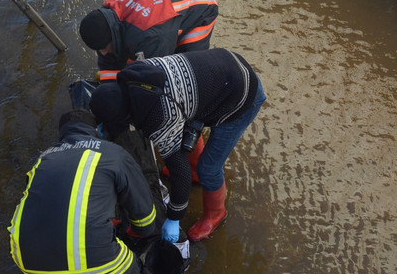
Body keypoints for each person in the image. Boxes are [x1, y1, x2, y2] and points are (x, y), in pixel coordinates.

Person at [88, 48, 267, 243]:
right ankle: (196, 172)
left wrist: (174, 218)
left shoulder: (161, 116)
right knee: (183, 132)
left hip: (242, 95)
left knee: (209, 168)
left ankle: (216, 213)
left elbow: (179, 174)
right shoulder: (135, 73)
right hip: (222, 67)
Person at [7, 109, 157, 274]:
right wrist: (140, 231)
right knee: (132, 266)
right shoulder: (113, 153)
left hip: (26, 260)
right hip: (92, 261)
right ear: (95, 130)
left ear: (62, 135)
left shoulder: (43, 158)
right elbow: (145, 216)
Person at [79, 0, 218, 82]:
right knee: (129, 55)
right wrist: (107, 84)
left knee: (186, 68)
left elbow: (154, 76)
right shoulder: (105, 16)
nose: (102, 52)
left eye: (103, 48)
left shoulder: (149, 35)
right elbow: (109, 62)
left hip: (201, 4)